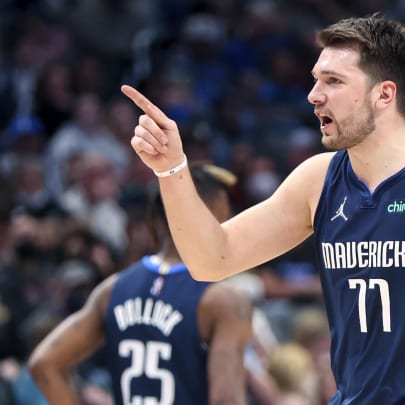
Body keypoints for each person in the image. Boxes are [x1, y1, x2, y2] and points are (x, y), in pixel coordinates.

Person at [121, 14, 405, 404]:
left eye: (333, 82)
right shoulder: (318, 180)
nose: (314, 95)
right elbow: (209, 259)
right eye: (316, 80)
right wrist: (173, 170)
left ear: (384, 94)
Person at [28, 163, 253, 405]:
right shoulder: (222, 300)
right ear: (212, 215)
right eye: (227, 214)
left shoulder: (112, 289)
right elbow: (226, 400)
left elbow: (43, 364)